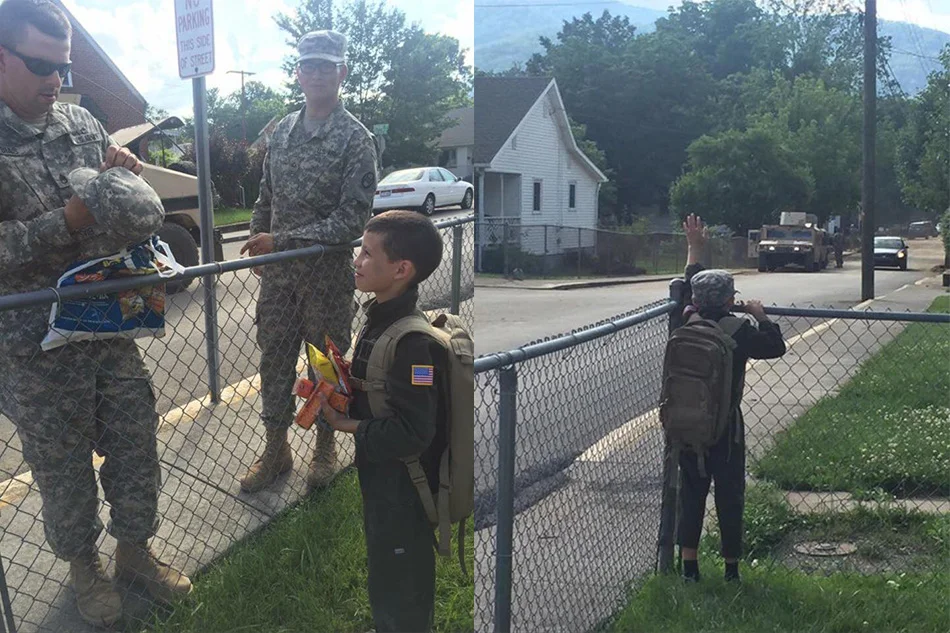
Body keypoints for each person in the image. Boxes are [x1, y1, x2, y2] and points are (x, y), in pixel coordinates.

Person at [0, 0, 190, 626]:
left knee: (136, 441)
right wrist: (66, 222)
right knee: (62, 466)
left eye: (64, 65)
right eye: (39, 64)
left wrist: (125, 170)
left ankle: (136, 551)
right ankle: (86, 567)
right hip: (36, 346)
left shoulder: (81, 122)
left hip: (110, 324)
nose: (55, 79)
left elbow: (113, 180)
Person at [239, 30, 378, 493]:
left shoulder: (356, 139)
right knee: (274, 363)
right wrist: (258, 237)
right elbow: (266, 196)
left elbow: (351, 220)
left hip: (325, 278)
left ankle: (325, 447)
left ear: (342, 72)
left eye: (326, 66)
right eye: (308, 66)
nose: (316, 74)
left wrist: (281, 238)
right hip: (279, 279)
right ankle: (276, 450)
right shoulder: (282, 131)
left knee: (326, 366)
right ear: (297, 73)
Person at [318, 211, 446, 633]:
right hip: (382, 479)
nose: (356, 260)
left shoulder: (412, 345)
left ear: (401, 269)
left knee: (402, 569)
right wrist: (339, 386)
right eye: (359, 249)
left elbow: (413, 432)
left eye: (368, 253)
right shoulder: (380, 317)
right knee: (387, 564)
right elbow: (381, 393)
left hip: (404, 486)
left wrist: (345, 425)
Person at [677, 214, 787, 583]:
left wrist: (695, 248)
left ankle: (688, 568)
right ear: (729, 301)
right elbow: (776, 348)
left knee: (692, 492)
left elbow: (689, 282)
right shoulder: (739, 330)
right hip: (726, 425)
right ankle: (731, 569)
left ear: (694, 298)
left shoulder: (684, 320)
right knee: (729, 494)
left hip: (687, 422)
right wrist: (761, 315)